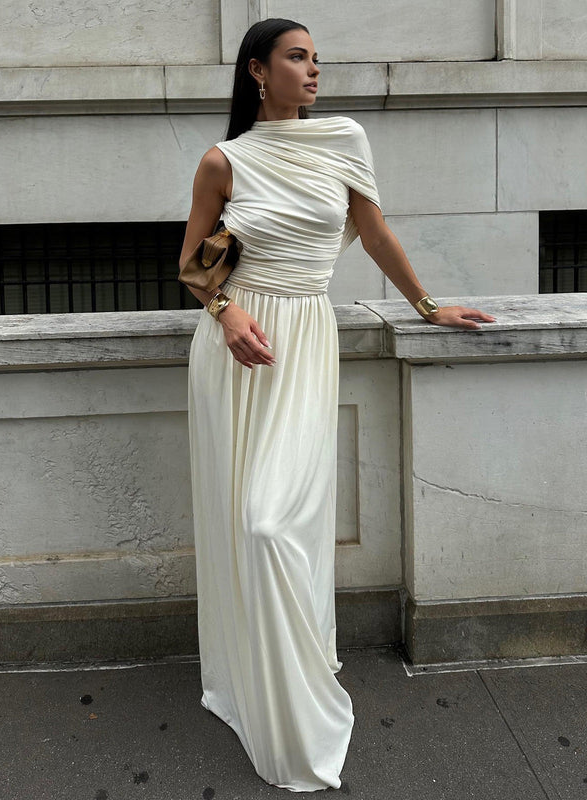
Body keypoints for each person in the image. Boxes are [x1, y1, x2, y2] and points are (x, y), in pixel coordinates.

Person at [178, 17, 496, 793]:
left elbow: (374, 233)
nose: (314, 71)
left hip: (307, 341)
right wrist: (225, 316)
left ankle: (294, 675)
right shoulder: (224, 160)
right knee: (247, 518)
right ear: (258, 70)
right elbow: (192, 265)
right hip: (240, 346)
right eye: (297, 58)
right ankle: (253, 679)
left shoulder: (343, 141)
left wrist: (427, 306)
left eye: (317, 59)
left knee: (278, 518)